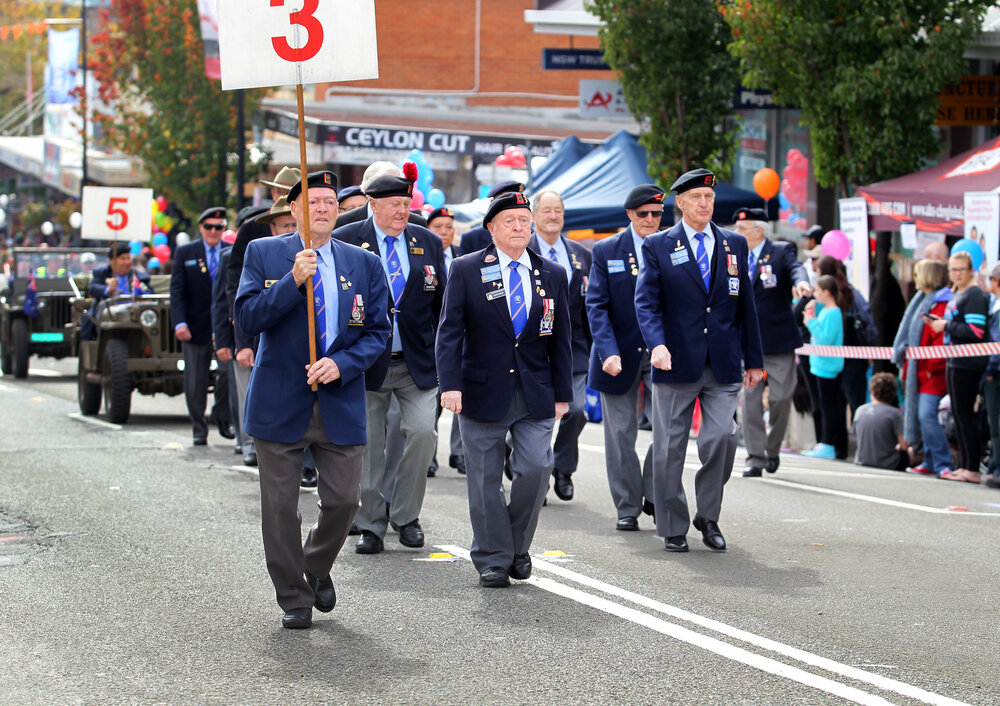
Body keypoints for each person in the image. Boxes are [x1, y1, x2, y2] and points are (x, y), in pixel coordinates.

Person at [234, 170, 391, 629]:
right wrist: (291, 281)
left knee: (345, 501)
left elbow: (377, 331)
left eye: (329, 201)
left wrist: (342, 364)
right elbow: (247, 316)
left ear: (339, 210)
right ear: (295, 210)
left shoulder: (363, 263)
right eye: (312, 202)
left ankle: (315, 564)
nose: (322, 208)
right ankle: (293, 597)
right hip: (280, 399)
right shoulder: (264, 253)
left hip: (339, 399)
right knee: (281, 507)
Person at [436, 191, 573, 587]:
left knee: (536, 468)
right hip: (481, 389)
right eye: (509, 221)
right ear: (492, 229)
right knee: (484, 480)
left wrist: (563, 393)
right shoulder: (465, 269)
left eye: (523, 221)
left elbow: (560, 337)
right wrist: (450, 385)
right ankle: (493, 558)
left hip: (535, 390)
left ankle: (516, 544)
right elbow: (449, 333)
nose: (518, 228)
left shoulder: (551, 273)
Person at [634, 169, 764, 553]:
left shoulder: (734, 244)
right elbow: (646, 303)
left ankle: (708, 515)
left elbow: (747, 308)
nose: (704, 204)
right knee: (670, 446)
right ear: (681, 203)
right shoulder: (659, 245)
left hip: (723, 362)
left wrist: (754, 358)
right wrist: (656, 345)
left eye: (709, 197)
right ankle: (673, 523)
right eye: (696, 198)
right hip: (675, 362)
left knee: (723, 437)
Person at [335, 173, 447, 554]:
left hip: (416, 361)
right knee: (368, 444)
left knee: (422, 434)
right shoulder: (348, 238)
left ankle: (406, 516)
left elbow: (443, 305)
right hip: (365, 361)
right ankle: (370, 523)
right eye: (394, 204)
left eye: (407, 204)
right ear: (373, 203)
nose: (403, 211)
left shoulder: (428, 242)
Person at [585, 184, 664, 530]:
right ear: (630, 215)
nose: (651, 220)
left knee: (667, 429)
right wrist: (607, 350)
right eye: (644, 214)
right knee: (620, 433)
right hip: (617, 350)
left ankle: (652, 488)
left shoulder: (670, 245)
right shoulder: (606, 250)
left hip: (663, 350)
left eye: (657, 214)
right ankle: (627, 505)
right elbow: (596, 305)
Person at [731, 207, 812, 478]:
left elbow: (796, 268)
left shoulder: (779, 251)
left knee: (781, 397)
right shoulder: (734, 254)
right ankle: (755, 457)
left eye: (742, 229)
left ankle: (772, 448)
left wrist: (802, 284)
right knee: (750, 400)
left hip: (778, 340)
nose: (737, 233)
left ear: (759, 231)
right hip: (747, 341)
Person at [529, 189, 591, 501]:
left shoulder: (581, 254)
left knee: (576, 409)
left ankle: (563, 468)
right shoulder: (520, 249)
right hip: (531, 348)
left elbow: (591, 305)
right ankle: (529, 467)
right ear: (534, 215)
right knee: (532, 413)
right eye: (547, 210)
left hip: (574, 349)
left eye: (559, 211)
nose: (553, 216)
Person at [170, 207, 233, 445]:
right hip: (195, 326)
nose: (214, 231)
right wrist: (180, 322)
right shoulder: (186, 252)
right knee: (195, 379)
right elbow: (177, 291)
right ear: (201, 228)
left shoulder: (230, 251)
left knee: (228, 375)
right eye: (209, 227)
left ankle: (221, 413)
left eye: (219, 227)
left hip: (223, 328)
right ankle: (198, 427)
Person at [930, 250, 991, 484]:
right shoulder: (958, 293)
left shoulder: (974, 295)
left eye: (960, 270)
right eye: (952, 269)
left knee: (965, 414)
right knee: (958, 412)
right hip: (955, 359)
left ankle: (972, 467)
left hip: (968, 361)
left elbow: (976, 332)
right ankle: (966, 465)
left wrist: (946, 325)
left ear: (970, 271)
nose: (955, 274)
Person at [893, 259, 951, 476]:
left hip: (931, 374)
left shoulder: (941, 304)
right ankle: (929, 460)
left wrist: (929, 368)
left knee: (927, 415)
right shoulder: (921, 301)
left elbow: (940, 343)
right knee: (920, 416)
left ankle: (943, 461)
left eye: (918, 274)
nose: (915, 278)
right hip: (917, 372)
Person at [426, 206, 465, 476]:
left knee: (464, 395)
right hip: (431, 338)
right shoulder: (424, 257)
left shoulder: (464, 258)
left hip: (463, 339)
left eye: (449, 227)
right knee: (433, 400)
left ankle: (460, 453)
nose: (444, 232)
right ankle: (428, 454)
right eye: (438, 227)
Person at [802, 275, 846, 459]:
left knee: (829, 406)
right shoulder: (828, 311)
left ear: (827, 292)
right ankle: (826, 442)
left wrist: (810, 322)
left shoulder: (833, 312)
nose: (816, 295)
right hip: (822, 365)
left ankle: (829, 443)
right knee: (826, 404)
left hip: (827, 366)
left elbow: (826, 338)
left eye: (818, 291)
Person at [81, 247, 153, 340]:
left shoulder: (138, 275)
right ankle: (102, 339)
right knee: (102, 306)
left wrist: (144, 297)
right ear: (111, 261)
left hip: (134, 311)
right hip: (111, 311)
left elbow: (148, 290)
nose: (127, 262)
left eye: (128, 258)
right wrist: (108, 289)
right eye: (122, 259)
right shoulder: (102, 273)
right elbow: (93, 288)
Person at [335, 161, 428, 229]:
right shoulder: (343, 222)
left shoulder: (417, 223)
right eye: (387, 186)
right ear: (368, 191)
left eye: (399, 184)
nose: (395, 191)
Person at [853, 373, 909, 470]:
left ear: (871, 391)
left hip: (861, 459)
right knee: (914, 452)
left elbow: (857, 434)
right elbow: (904, 445)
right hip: (888, 463)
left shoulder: (860, 410)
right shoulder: (895, 413)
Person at [458, 181, 526, 255]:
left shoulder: (533, 237)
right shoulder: (472, 239)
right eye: (505, 203)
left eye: (516, 203)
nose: (511, 208)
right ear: (492, 203)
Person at [984, 264, 1000, 488]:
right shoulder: (993, 305)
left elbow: (996, 343)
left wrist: (988, 371)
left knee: (996, 423)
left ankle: (997, 467)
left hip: (995, 374)